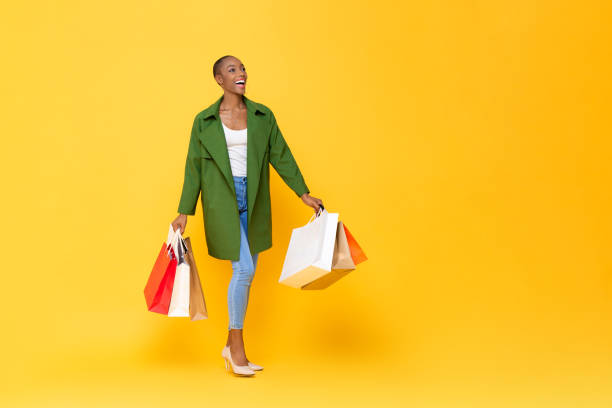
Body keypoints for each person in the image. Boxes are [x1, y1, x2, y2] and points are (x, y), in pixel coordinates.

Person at [171, 55, 323, 376]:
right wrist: (184, 211)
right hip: (221, 202)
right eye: (232, 70)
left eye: (242, 69)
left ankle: (230, 346)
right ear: (219, 80)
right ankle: (237, 349)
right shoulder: (205, 121)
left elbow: (281, 154)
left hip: (254, 201)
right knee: (243, 270)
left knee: (248, 272)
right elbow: (194, 167)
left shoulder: (262, 116)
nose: (240, 74)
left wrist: (303, 193)